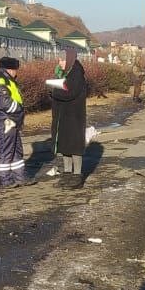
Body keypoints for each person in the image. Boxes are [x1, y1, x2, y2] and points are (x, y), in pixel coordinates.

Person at [0, 57, 31, 189]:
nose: (16, 73)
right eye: (15, 70)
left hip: (11, 121)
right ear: (10, 69)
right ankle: (5, 181)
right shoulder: (1, 83)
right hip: (4, 121)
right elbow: (5, 104)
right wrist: (19, 109)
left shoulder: (6, 81)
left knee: (16, 151)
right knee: (5, 151)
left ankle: (20, 177)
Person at [50, 47, 88, 189]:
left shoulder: (76, 73)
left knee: (74, 146)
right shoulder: (65, 72)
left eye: (61, 60)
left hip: (74, 116)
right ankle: (67, 174)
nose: (59, 63)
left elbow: (69, 93)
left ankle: (77, 176)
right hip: (63, 115)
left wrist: (54, 91)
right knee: (65, 145)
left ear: (69, 59)